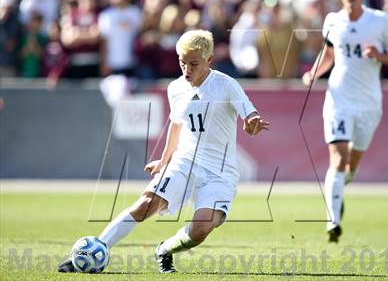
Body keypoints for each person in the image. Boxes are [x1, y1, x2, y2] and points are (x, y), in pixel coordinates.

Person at [58, 29, 269, 273]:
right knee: (147, 203)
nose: (186, 69)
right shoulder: (176, 88)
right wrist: (164, 160)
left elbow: (251, 119)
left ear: (209, 60)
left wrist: (252, 126)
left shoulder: (226, 85)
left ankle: (165, 249)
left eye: (193, 64)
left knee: (201, 229)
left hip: (220, 172)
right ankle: (97, 247)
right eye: (182, 63)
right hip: (185, 161)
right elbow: (177, 125)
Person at [302, 0, 388, 243]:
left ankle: (338, 193)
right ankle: (333, 221)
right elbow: (329, 54)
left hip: (369, 103)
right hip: (339, 99)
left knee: (351, 165)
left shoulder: (379, 21)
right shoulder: (333, 21)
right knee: (338, 158)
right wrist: (314, 73)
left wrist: (379, 55)